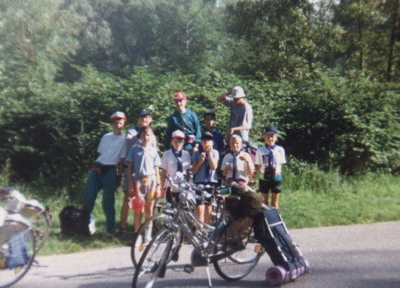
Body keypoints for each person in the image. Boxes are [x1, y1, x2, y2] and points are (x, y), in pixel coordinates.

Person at [82, 111, 127, 235]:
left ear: (124, 123)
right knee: (88, 198)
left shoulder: (124, 140)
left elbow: (122, 160)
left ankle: (110, 230)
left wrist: (120, 176)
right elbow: (101, 154)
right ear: (112, 123)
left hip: (110, 171)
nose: (117, 123)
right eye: (115, 120)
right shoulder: (106, 137)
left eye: (120, 120)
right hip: (97, 170)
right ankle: (85, 225)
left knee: (108, 202)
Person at [119, 109, 157, 235]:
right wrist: (140, 133)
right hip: (132, 170)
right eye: (141, 118)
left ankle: (145, 232)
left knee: (147, 204)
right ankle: (123, 228)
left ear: (150, 119)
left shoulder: (152, 134)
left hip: (147, 174)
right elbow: (129, 142)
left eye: (146, 118)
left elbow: (153, 151)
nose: (144, 120)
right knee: (128, 198)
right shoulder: (132, 131)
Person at [125, 126, 161, 243]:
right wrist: (130, 183)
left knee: (149, 209)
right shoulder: (135, 149)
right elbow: (129, 168)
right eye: (144, 135)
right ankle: (138, 236)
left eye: (149, 135)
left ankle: (148, 236)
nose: (146, 137)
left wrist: (158, 185)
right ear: (140, 136)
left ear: (151, 137)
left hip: (151, 181)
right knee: (138, 208)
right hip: (138, 181)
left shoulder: (154, 150)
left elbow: (156, 169)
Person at [191, 131, 219, 224]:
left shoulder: (215, 152)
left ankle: (207, 231)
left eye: (209, 140)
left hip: (211, 182)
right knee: (199, 208)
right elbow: (193, 170)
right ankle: (199, 231)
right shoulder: (196, 153)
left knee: (208, 208)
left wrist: (209, 154)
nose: (206, 143)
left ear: (212, 142)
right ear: (201, 142)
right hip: (200, 182)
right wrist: (200, 162)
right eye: (204, 140)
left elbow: (214, 167)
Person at [255, 126, 286, 208]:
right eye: (268, 136)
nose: (270, 138)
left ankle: (274, 217)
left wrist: (276, 172)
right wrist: (261, 173)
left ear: (276, 138)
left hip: (276, 177)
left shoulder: (280, 150)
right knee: (264, 201)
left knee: (275, 202)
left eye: (272, 136)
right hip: (264, 177)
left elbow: (281, 163)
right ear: (264, 137)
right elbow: (258, 164)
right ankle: (265, 218)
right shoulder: (260, 150)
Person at [160, 130, 192, 206]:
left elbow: (187, 171)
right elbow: (164, 172)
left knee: (182, 209)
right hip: (170, 185)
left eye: (180, 141)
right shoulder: (166, 154)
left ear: (183, 142)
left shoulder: (186, 154)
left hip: (182, 186)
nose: (177, 144)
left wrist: (189, 185)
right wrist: (162, 187)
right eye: (175, 141)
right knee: (171, 208)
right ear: (172, 142)